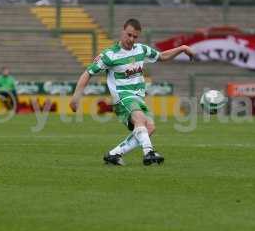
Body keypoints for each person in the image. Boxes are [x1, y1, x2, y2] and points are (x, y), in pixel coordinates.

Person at [69, 18, 194, 166]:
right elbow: (88, 73)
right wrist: (76, 97)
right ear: (122, 32)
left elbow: (161, 56)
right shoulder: (109, 55)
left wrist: (182, 48)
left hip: (138, 98)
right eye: (129, 35)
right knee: (140, 119)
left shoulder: (141, 49)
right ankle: (149, 152)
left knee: (150, 128)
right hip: (122, 98)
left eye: (135, 36)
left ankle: (114, 154)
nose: (131, 39)